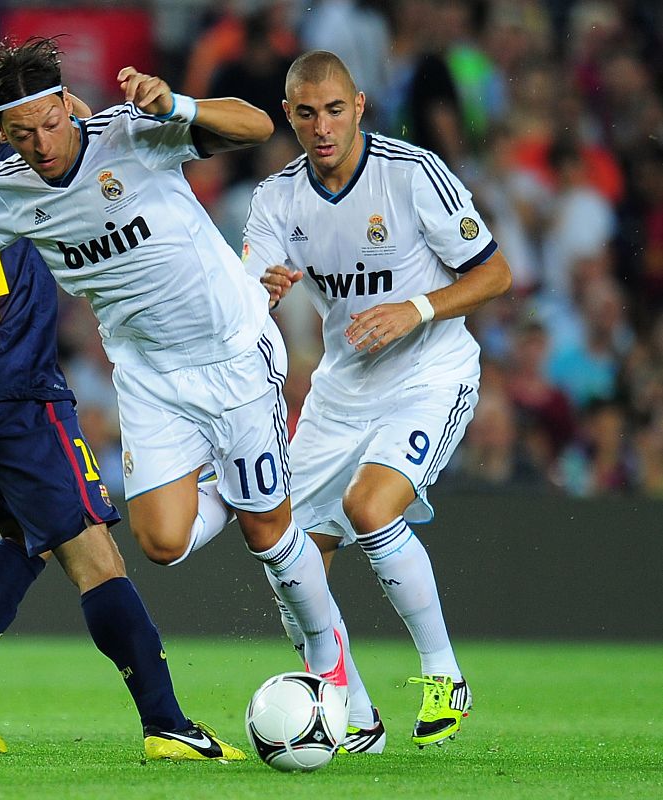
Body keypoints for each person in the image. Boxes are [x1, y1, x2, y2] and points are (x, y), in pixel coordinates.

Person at [0, 37, 361, 746]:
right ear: (0, 131)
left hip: (232, 351)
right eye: (23, 134)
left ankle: (330, 669)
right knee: (161, 544)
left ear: (66, 105)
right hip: (146, 376)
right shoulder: (5, 189)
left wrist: (175, 103)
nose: (42, 144)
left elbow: (256, 125)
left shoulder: (131, 134)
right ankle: (233, 493)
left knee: (267, 532)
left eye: (51, 124)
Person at [243, 50, 512, 748]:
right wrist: (257, 293)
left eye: (335, 110)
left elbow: (494, 275)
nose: (322, 127)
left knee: (369, 508)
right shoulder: (276, 199)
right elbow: (245, 294)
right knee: (289, 557)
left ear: (358, 106)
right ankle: (355, 715)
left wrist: (415, 309)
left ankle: (444, 673)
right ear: (288, 116)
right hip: (340, 390)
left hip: (429, 374)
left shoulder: (411, 173)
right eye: (307, 114)